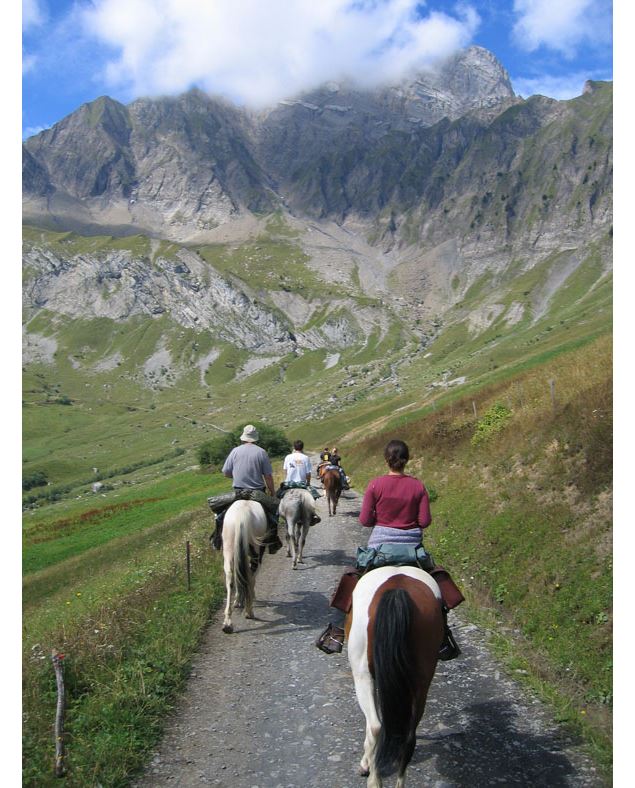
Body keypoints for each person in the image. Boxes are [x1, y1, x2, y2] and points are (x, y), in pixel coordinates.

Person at [315, 438, 460, 660]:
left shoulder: (375, 485)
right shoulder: (418, 486)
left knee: (351, 580)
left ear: (386, 460)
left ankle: (338, 632)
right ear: (407, 460)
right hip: (412, 549)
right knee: (438, 585)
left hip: (379, 548)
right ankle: (443, 636)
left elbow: (364, 520)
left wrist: (379, 517)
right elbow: (425, 521)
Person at [210, 424, 283, 553]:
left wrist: (238, 474)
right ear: (255, 438)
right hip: (258, 492)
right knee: (274, 513)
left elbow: (226, 473)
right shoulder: (261, 452)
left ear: (243, 437)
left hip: (238, 492)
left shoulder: (235, 451)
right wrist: (272, 492)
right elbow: (268, 476)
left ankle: (217, 539)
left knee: (220, 515)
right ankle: (273, 541)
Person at [277, 440, 322, 522]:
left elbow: (286, 471)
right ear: (302, 447)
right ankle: (312, 514)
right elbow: (308, 474)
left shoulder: (288, 457)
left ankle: (277, 513)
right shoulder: (306, 458)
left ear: (294, 447)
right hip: (302, 484)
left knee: (278, 495)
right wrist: (308, 483)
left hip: (289, 484)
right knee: (314, 496)